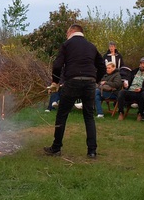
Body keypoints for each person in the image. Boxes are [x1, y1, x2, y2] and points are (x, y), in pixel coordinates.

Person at [43, 24, 105, 158]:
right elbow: (102, 66)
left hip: (73, 81)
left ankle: (56, 148)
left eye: (67, 33)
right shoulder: (91, 46)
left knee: (62, 114)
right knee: (89, 116)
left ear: (71, 31)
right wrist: (96, 79)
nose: (66, 36)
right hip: (89, 82)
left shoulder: (67, 44)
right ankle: (92, 151)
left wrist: (55, 82)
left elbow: (57, 65)